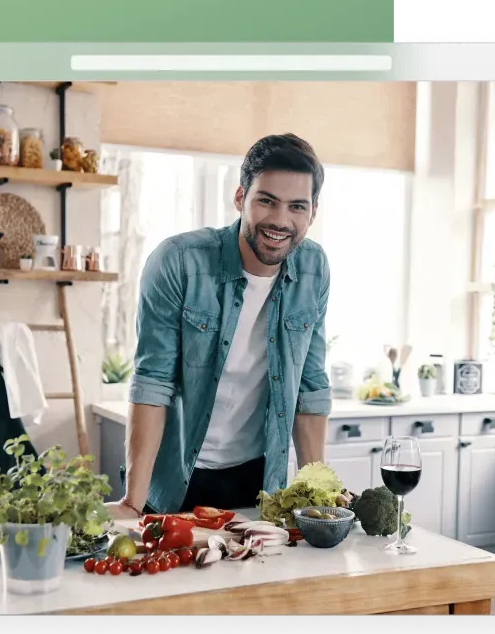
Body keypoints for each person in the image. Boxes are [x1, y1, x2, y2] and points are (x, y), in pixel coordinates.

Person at [108, 133, 333, 521]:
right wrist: (133, 502)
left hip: (259, 480)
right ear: (240, 198)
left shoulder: (314, 268)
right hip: (175, 478)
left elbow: (310, 389)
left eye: (297, 206)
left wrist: (319, 498)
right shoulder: (178, 262)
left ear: (312, 212)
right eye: (267, 201)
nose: (281, 220)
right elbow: (153, 383)